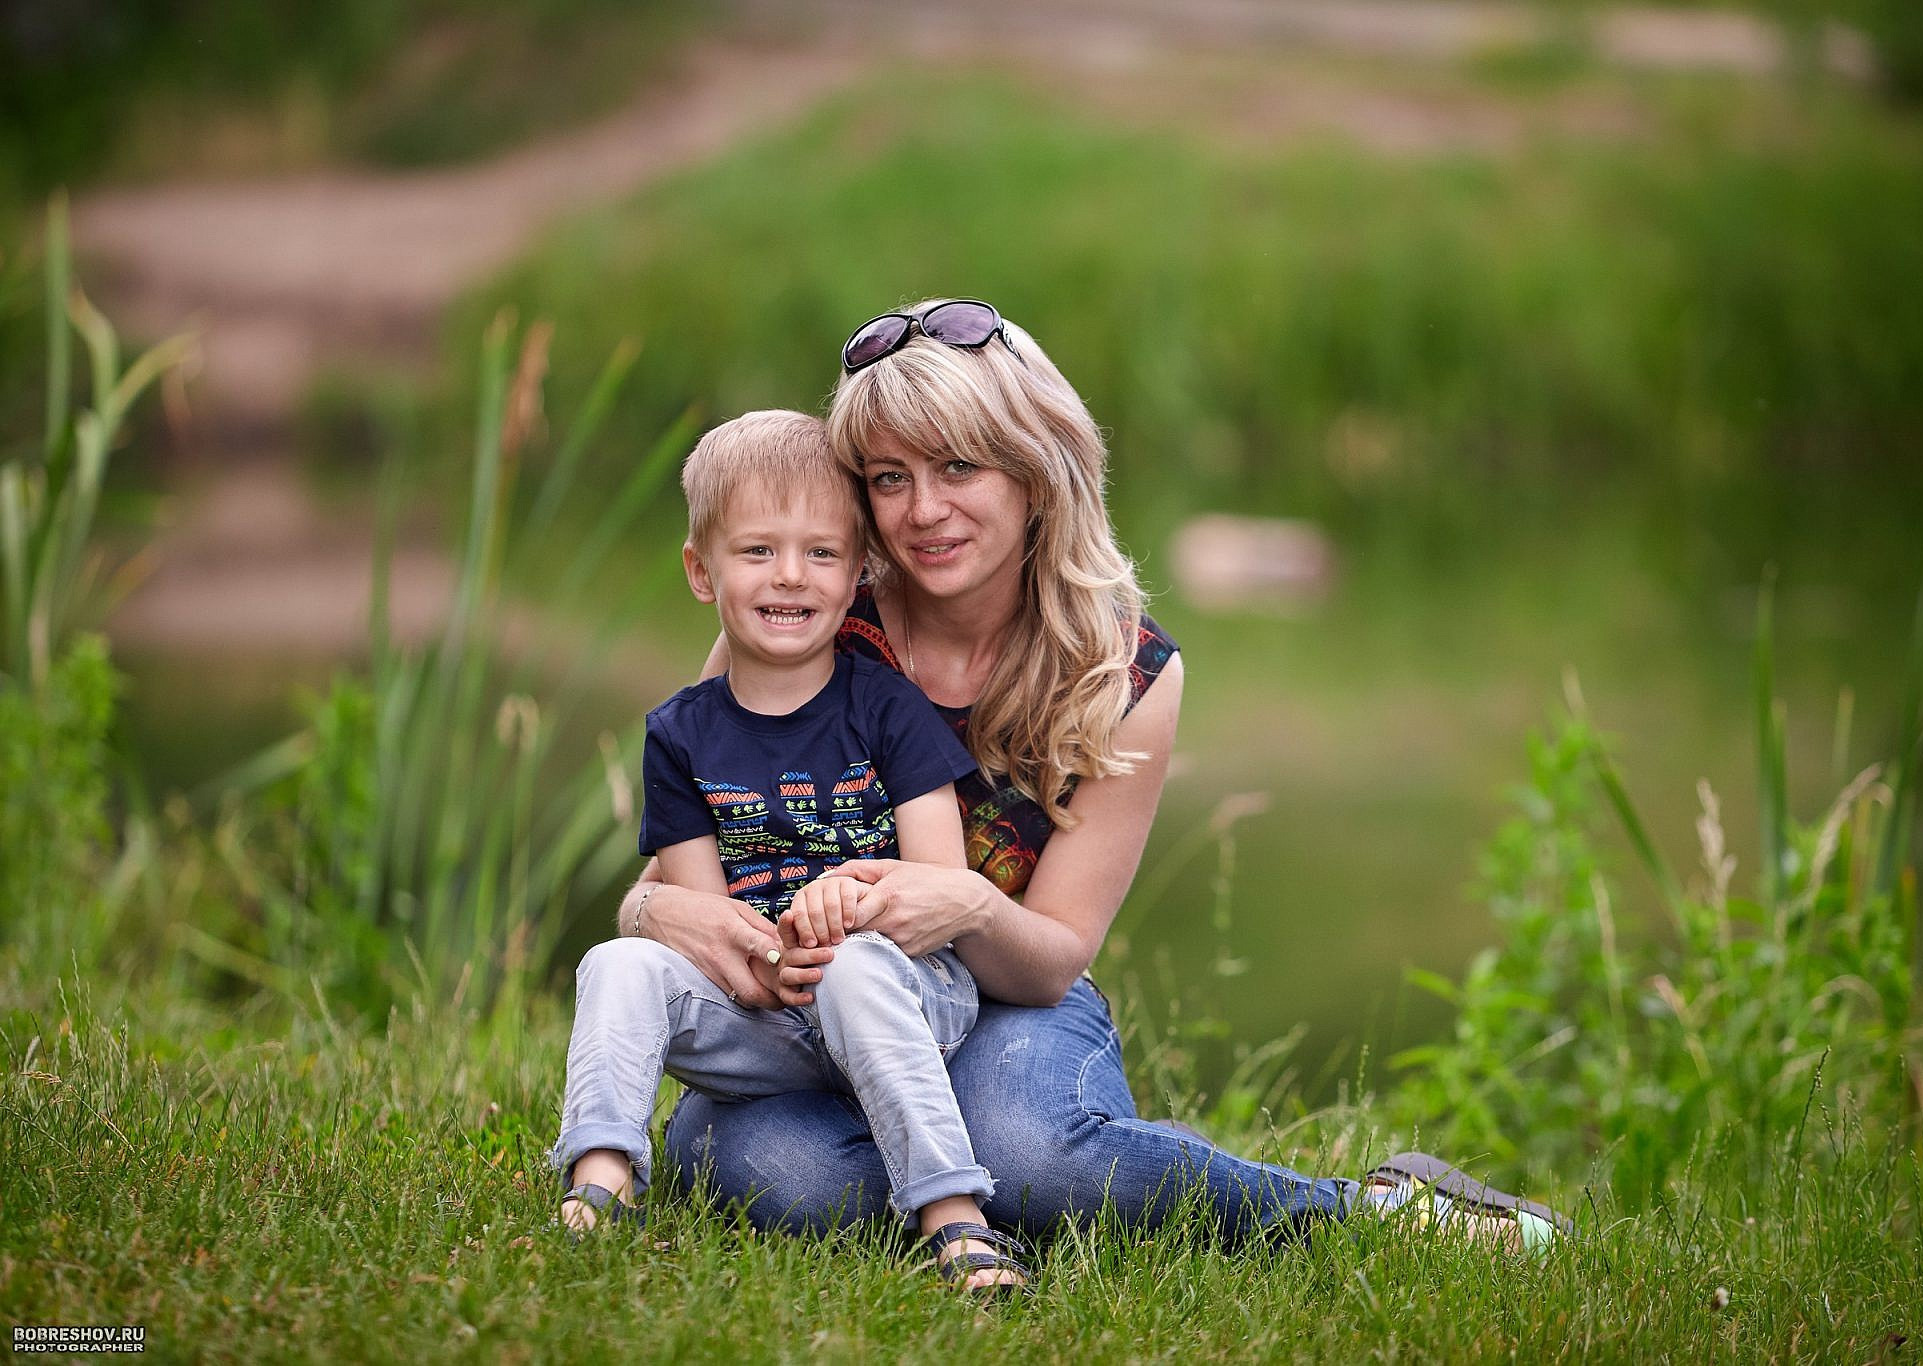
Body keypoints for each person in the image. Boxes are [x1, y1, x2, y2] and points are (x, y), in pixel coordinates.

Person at [623, 301, 1568, 1251]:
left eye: (960, 466)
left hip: (1001, 1002)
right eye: (888, 478)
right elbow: (672, 877)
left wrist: (965, 904)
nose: (923, 510)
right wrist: (653, 915)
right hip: (810, 1016)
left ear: (1037, 473)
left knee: (1030, 1147)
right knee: (772, 1177)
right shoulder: (813, 617)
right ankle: (996, 1211)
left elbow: (1054, 958)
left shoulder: (1122, 674)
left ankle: (1374, 1213)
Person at [549, 410, 1032, 1289]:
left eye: (820, 553)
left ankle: (955, 1217)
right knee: (619, 962)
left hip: (902, 990)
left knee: (855, 972)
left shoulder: (889, 710)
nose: (790, 576)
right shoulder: (679, 735)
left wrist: (845, 913)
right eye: (758, 551)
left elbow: (941, 888)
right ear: (702, 571)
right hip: (766, 1015)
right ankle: (602, 1179)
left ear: (858, 576)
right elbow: (704, 920)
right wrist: (761, 956)